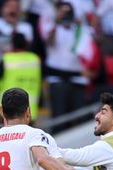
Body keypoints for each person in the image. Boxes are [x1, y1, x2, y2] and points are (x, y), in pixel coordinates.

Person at [39, 1, 95, 130]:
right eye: (63, 11)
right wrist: (56, 20)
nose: (66, 14)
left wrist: (82, 24)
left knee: (81, 120)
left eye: (68, 11)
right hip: (58, 81)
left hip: (78, 80)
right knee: (60, 120)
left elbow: (94, 42)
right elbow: (48, 41)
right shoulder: (52, 28)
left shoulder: (80, 31)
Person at [0, 32, 42, 121]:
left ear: (12, 44)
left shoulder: (7, 59)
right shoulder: (35, 59)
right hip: (29, 112)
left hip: (8, 112)